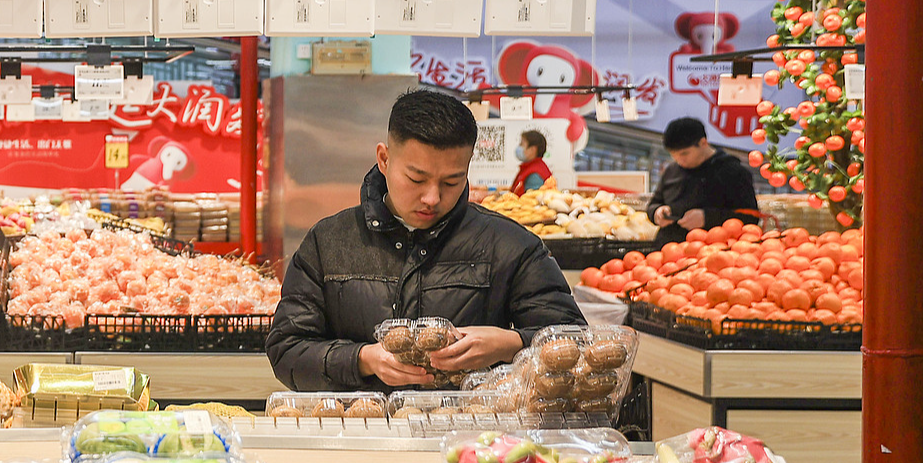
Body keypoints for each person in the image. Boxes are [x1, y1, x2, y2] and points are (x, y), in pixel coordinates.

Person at [266, 89, 586, 391]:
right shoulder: (329, 243)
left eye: (451, 181)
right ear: (384, 159)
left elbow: (577, 344)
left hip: (475, 439)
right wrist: (362, 360)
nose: (432, 198)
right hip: (359, 433)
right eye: (416, 179)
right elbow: (286, 350)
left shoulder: (511, 246)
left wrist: (510, 343)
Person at [650, 116, 761, 247]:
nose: (679, 160)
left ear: (703, 143)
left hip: (713, 252)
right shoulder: (672, 171)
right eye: (673, 155)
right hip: (666, 253)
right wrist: (657, 212)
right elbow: (654, 204)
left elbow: (751, 217)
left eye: (684, 154)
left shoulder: (732, 171)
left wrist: (707, 218)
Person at [510, 129, 553, 196]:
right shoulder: (530, 167)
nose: (519, 147)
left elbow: (533, 201)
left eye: (521, 144)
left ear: (532, 150)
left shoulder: (535, 175)